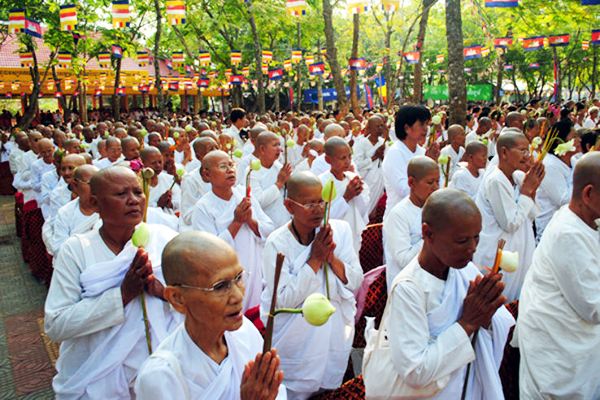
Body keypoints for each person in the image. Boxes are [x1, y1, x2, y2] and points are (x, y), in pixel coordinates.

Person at [44, 166, 182, 398]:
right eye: (121, 194)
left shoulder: (165, 239)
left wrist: (164, 293)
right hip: (96, 376)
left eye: (138, 192)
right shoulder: (76, 250)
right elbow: (56, 325)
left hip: (160, 374)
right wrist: (122, 295)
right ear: (96, 204)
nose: (133, 201)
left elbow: (197, 299)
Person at [381, 188, 514, 400]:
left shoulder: (466, 270)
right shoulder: (408, 289)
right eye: (462, 241)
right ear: (428, 234)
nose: (472, 249)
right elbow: (415, 372)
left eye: (476, 238)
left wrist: (488, 316)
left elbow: (490, 331)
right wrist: (468, 323)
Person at [134, 231, 286, 399]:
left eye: (239, 278)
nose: (238, 296)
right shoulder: (161, 376)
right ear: (178, 299)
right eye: (220, 286)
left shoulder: (246, 333)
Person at [260, 171, 363, 400]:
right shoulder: (277, 243)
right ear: (289, 206)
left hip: (333, 332)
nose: (317, 209)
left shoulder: (339, 231)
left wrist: (331, 259)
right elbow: (283, 300)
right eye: (308, 204)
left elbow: (356, 280)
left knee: (331, 387)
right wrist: (314, 260)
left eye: (320, 202)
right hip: (296, 340)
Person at [515, 152, 600, 399]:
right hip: (558, 356)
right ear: (588, 194)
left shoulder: (586, 222)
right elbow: (593, 308)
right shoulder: (569, 234)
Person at [192, 151, 274, 312]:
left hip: (253, 267)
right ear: (207, 175)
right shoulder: (204, 207)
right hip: (226, 276)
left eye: (231, 165)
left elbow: (269, 229)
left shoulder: (244, 195)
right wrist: (236, 222)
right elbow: (208, 250)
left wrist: (250, 221)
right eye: (223, 166)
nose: (230, 170)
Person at [474, 132, 545, 302]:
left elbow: (531, 214)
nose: (527, 156)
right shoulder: (496, 180)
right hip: (499, 251)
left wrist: (532, 187)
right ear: (504, 152)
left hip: (519, 246)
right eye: (522, 151)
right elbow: (511, 223)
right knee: (499, 301)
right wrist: (527, 191)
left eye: (528, 151)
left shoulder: (517, 177)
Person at [384, 156, 439, 290]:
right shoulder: (399, 214)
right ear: (411, 182)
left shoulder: (437, 209)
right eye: (430, 182)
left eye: (438, 181)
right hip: (407, 286)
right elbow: (403, 260)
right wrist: (431, 236)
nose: (436, 187)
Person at [382, 105, 438, 218]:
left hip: (422, 216)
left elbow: (436, 186)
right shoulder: (395, 153)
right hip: (398, 218)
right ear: (407, 128)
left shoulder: (422, 151)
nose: (425, 129)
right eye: (421, 124)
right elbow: (404, 190)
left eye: (426, 124)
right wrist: (428, 164)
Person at [319, 137, 370, 252]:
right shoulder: (321, 182)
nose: (348, 161)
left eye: (349, 156)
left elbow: (362, 209)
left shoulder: (352, 177)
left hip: (352, 232)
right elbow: (323, 219)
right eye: (343, 158)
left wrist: (358, 194)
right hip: (333, 238)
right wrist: (346, 197)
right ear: (328, 160)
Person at [50, 164, 99, 256]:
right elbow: (59, 249)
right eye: (90, 184)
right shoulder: (65, 213)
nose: (96, 188)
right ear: (75, 185)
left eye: (99, 183)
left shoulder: (109, 208)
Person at [249, 131, 292, 229]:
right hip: (264, 226)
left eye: (279, 145)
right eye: (274, 145)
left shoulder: (280, 168)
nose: (280, 149)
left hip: (285, 222)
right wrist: (279, 183)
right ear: (262, 149)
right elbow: (257, 202)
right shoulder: (252, 172)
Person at [179, 137, 219, 231]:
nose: (216, 152)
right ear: (199, 157)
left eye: (217, 148)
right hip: (197, 228)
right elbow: (188, 217)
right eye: (210, 149)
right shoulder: (190, 180)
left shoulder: (224, 175)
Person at [352, 115, 387, 213]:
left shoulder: (383, 142)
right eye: (377, 126)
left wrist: (382, 156)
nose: (380, 129)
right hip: (367, 181)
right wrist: (374, 157)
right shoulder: (362, 143)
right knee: (365, 209)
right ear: (369, 128)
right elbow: (356, 164)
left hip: (380, 182)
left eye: (381, 126)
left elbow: (387, 163)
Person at [140, 147, 181, 215]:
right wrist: (158, 205)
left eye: (160, 162)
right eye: (153, 163)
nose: (158, 166)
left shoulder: (168, 179)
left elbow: (180, 201)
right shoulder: (139, 184)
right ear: (142, 164)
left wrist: (170, 204)